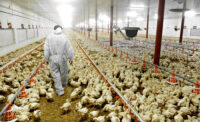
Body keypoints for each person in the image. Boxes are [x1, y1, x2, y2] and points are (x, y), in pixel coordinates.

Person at [44, 25, 74, 96]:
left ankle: (60, 91)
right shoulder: (64, 37)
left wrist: (46, 58)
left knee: (55, 73)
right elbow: (69, 48)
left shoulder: (49, 37)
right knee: (64, 72)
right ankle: (64, 85)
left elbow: (46, 49)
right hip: (62, 58)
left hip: (52, 58)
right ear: (61, 29)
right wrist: (71, 58)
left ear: (54, 29)